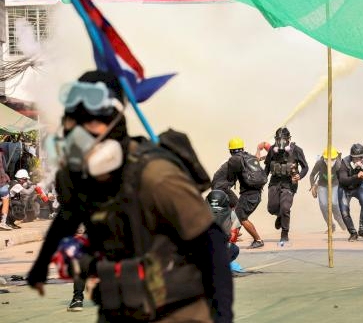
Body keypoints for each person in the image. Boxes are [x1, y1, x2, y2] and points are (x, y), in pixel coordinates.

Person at [26, 70, 233, 322]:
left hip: (177, 312)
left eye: (91, 123)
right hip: (119, 310)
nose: (79, 134)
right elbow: (67, 217)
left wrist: (222, 316)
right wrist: (39, 267)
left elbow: (211, 243)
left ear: (116, 124)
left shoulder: (156, 175)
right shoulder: (75, 178)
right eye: (73, 122)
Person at [263, 127, 308, 244]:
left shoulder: (297, 150)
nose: (281, 142)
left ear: (289, 139)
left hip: (289, 183)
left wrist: (300, 176)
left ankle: (284, 233)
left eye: (283, 139)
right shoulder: (272, 150)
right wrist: (262, 181)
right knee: (271, 208)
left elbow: (305, 167)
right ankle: (279, 215)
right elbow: (267, 167)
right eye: (278, 139)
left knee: (285, 208)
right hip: (274, 182)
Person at [225, 137, 267, 249]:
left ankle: (258, 240)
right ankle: (230, 241)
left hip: (249, 194)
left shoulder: (234, 160)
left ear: (231, 150)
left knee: (241, 218)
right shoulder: (251, 157)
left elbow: (230, 178)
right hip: (256, 193)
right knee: (236, 216)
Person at [309, 147, 349, 238]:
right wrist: (312, 186)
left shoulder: (339, 164)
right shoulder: (319, 163)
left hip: (335, 184)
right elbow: (312, 175)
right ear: (324, 158)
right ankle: (331, 226)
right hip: (322, 185)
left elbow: (343, 177)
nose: (329, 161)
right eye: (327, 159)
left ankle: (343, 224)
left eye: (332, 159)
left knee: (334, 204)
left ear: (336, 158)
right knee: (323, 205)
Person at [338, 143, 363, 239]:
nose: (358, 160)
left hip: (359, 186)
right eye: (355, 158)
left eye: (360, 157)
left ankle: (362, 230)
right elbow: (342, 179)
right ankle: (353, 232)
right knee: (344, 212)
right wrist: (356, 176)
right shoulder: (344, 162)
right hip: (345, 188)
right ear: (351, 157)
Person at [0, 147, 12, 230]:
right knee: (5, 199)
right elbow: (4, 167)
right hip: (1, 182)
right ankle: (3, 222)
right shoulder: (1, 152)